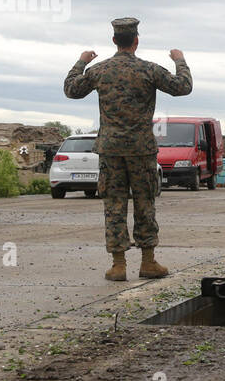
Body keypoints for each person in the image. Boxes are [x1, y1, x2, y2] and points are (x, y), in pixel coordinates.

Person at [63, 17, 192, 281]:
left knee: (114, 204)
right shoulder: (148, 70)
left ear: (114, 41)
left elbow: (71, 90)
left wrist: (82, 61)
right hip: (141, 150)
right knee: (145, 203)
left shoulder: (100, 70)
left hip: (110, 150)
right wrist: (179, 60)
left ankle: (119, 265)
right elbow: (183, 87)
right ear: (136, 41)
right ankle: (148, 262)